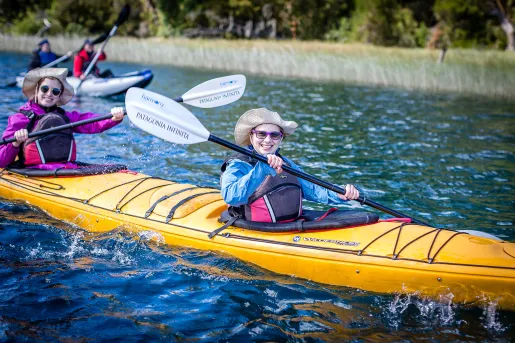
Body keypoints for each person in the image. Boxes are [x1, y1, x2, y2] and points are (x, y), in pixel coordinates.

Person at [220, 108, 360, 223]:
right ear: (251, 136)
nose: (268, 140)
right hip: (254, 228)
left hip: (288, 226)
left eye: (274, 135)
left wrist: (339, 194)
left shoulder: (286, 163)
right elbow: (230, 196)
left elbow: (312, 189)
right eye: (261, 134)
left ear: (281, 138)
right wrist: (262, 169)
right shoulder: (238, 163)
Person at [0, 68, 124, 169]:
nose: (49, 94)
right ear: (36, 90)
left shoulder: (65, 117)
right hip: (33, 172)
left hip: (64, 169)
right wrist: (15, 143)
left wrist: (112, 117)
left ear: (59, 96)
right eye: (44, 89)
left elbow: (90, 122)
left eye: (55, 91)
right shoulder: (21, 119)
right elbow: (1, 160)